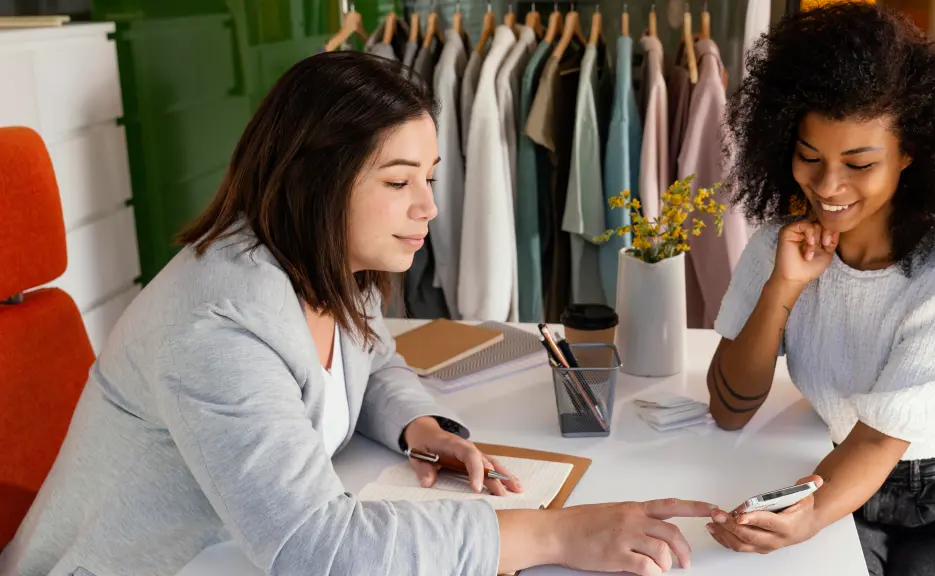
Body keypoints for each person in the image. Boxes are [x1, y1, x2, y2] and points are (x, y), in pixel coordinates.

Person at [0, 52, 713, 576]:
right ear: (320, 180)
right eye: (400, 181)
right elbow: (317, 547)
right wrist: (551, 536)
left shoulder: (328, 260)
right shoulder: (215, 327)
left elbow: (370, 360)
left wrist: (420, 426)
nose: (428, 207)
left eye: (429, 179)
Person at [705, 5, 935, 575]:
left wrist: (808, 513)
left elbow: (879, 442)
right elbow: (729, 408)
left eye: (859, 163)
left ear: (907, 154)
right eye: (810, 157)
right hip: (841, 473)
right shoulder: (781, 247)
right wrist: (785, 285)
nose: (828, 185)